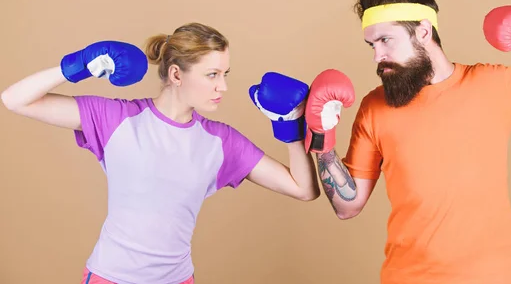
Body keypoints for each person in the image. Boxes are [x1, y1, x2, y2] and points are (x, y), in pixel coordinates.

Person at [302, 0, 511, 284]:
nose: (377, 56)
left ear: (423, 31)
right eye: (372, 45)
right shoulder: (374, 107)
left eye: (386, 40)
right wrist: (322, 141)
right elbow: (347, 206)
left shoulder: (494, 84)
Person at [0, 22, 320, 284]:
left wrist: (289, 127)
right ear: (177, 75)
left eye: (225, 74)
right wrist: (79, 63)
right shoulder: (117, 119)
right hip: (111, 277)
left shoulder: (220, 142)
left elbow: (303, 189)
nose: (222, 86)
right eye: (212, 75)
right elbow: (15, 99)